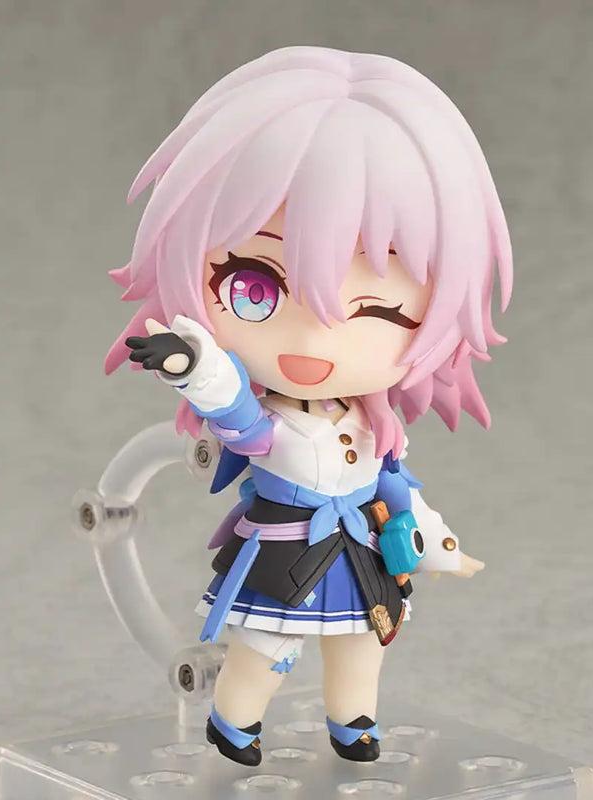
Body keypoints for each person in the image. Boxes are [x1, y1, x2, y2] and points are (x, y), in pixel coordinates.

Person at [106, 46, 512, 766]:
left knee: (366, 641)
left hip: (360, 552)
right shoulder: (273, 421)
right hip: (286, 551)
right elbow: (237, 412)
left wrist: (440, 547)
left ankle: (355, 723)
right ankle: (234, 723)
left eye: (380, 309)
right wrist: (195, 366)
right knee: (266, 647)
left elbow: (399, 493)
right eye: (253, 287)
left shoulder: (374, 426)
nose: (313, 341)